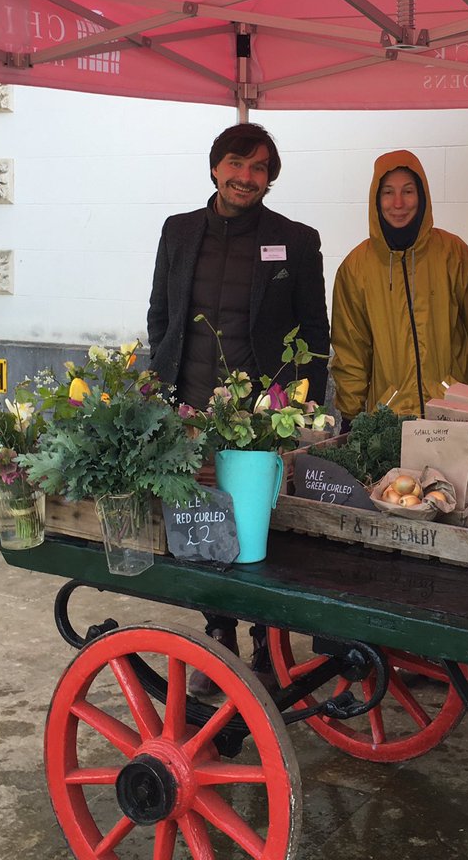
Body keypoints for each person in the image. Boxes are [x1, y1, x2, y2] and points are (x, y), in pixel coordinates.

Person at [148, 122, 329, 695]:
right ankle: (219, 635)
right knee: (203, 522)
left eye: (258, 169)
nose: (245, 177)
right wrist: (162, 389)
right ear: (214, 167)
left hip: (259, 418)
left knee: (262, 527)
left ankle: (266, 639)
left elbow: (314, 332)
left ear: (270, 178)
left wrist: (302, 412)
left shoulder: (295, 241)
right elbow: (160, 315)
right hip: (191, 411)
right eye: (236, 164)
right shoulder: (177, 232)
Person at [331, 150, 468, 424]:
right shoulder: (356, 268)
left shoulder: (454, 254)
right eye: (388, 192)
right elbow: (351, 353)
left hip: (456, 414)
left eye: (408, 191)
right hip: (389, 421)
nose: (398, 203)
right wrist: (350, 415)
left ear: (422, 196)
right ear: (376, 199)